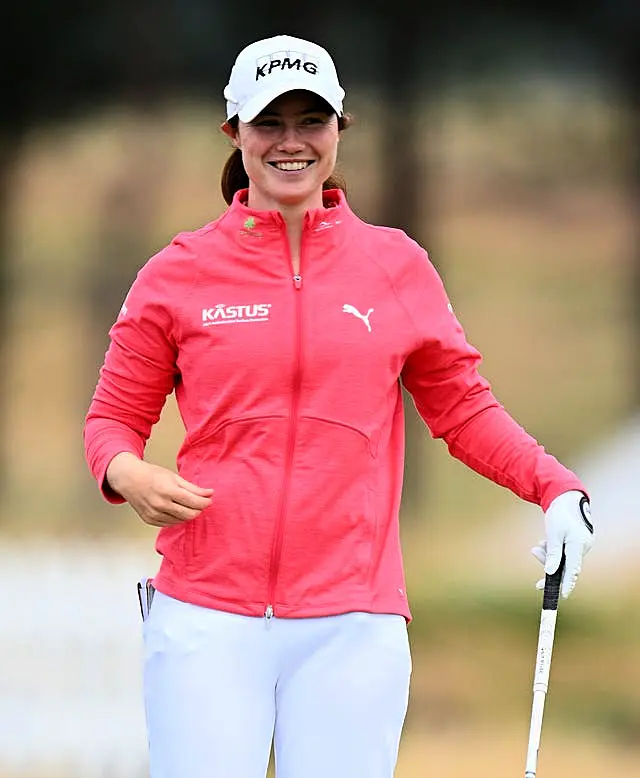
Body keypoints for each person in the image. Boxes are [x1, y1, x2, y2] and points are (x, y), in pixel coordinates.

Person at [83, 34, 594, 778]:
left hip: (353, 620)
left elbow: (463, 410)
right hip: (207, 614)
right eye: (269, 123)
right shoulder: (177, 274)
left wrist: (555, 487)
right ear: (234, 133)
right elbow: (110, 422)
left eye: (311, 120)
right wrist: (127, 474)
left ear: (340, 129)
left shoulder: (395, 266)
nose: (291, 143)